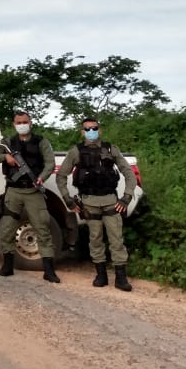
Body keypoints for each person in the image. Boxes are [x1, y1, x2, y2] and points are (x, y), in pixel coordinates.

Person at [56, 116, 137, 291]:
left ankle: (121, 278)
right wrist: (68, 200)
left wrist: (127, 197)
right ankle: (101, 275)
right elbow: (61, 175)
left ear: (99, 130)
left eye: (94, 128)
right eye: (87, 129)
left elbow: (128, 173)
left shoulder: (110, 149)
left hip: (111, 201)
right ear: (82, 132)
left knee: (117, 240)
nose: (90, 132)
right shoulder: (76, 152)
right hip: (89, 203)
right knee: (95, 239)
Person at [0, 110, 61, 283]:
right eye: (19, 122)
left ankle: (49, 270)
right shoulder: (7, 142)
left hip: (33, 191)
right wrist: (6, 157)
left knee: (42, 229)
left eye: (25, 122)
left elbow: (50, 163)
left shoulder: (41, 142)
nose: (22, 125)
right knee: (7, 228)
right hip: (13, 191)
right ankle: (7, 265)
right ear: (15, 124)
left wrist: (41, 177)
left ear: (30, 123)